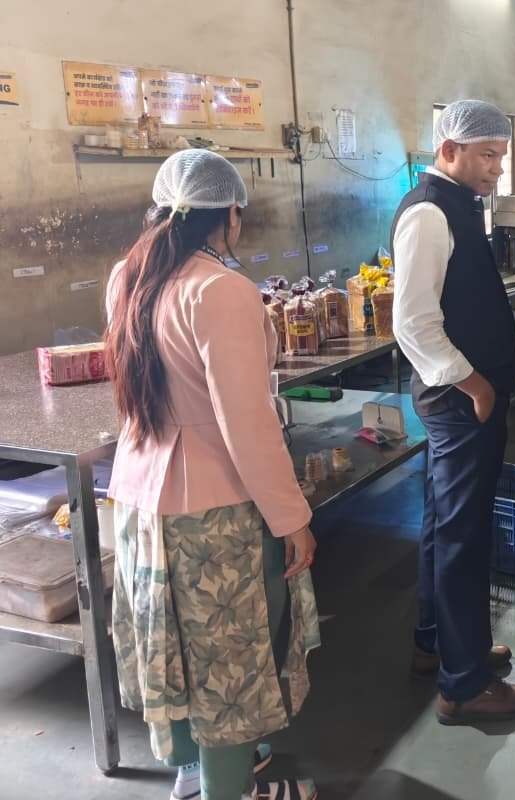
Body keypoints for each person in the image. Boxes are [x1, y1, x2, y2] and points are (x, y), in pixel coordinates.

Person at [104, 149, 321, 800]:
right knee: (231, 661)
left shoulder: (127, 277)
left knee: (173, 646)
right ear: (229, 213)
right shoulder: (221, 290)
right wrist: (292, 517)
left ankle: (193, 775)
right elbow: (246, 424)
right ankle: (230, 790)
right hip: (214, 514)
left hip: (140, 503)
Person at [391, 99, 515, 724]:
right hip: (460, 400)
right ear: (448, 150)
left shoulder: (456, 205)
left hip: (464, 396)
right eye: (487, 155)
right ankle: (465, 685)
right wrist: (477, 386)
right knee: (463, 534)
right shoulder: (429, 212)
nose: (497, 168)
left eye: (501, 156)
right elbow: (413, 323)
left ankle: (441, 644)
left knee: (444, 523)